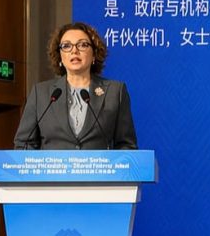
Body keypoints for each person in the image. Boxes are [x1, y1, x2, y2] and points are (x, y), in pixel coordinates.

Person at [13, 22, 138, 150]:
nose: (74, 51)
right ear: (60, 56)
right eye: (66, 46)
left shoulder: (115, 92)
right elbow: (23, 144)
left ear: (94, 53)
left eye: (82, 45)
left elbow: (126, 145)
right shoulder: (40, 94)